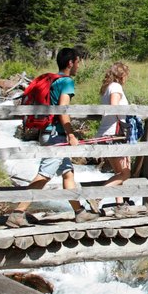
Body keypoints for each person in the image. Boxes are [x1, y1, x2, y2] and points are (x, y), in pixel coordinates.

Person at [11, 47, 98, 227]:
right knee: (44, 175)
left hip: (47, 132)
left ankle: (79, 212)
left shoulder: (52, 80)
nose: (79, 66)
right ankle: (18, 212)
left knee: (68, 173)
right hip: (56, 135)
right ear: (71, 63)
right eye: (78, 62)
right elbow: (62, 110)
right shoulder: (66, 82)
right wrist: (71, 134)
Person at [97, 61, 132, 198]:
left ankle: (120, 203)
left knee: (119, 172)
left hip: (106, 134)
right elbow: (114, 106)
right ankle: (97, 195)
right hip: (115, 134)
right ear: (121, 75)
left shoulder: (106, 88)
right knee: (125, 173)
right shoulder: (116, 87)